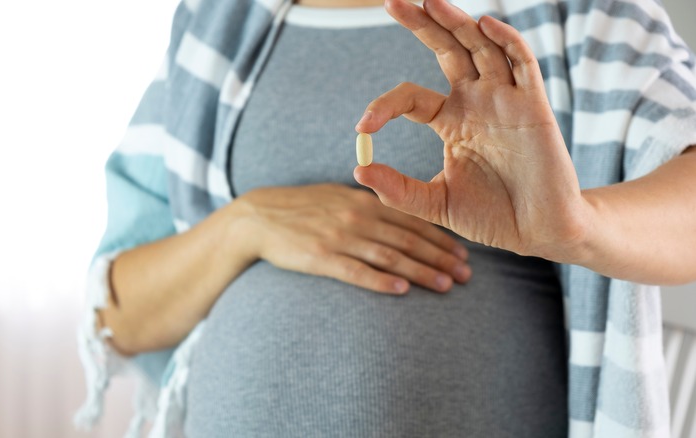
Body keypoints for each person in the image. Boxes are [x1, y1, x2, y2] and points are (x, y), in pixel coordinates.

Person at [75, 0, 696, 437]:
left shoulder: (579, 18)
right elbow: (118, 317)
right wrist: (245, 226)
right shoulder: (215, 27)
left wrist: (578, 224)